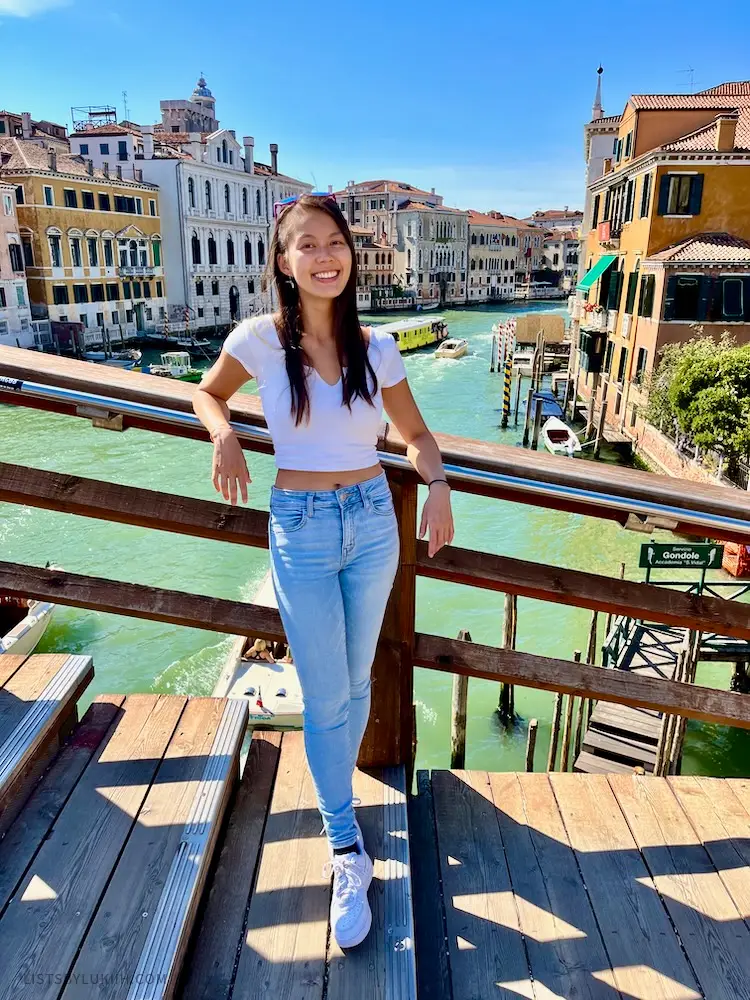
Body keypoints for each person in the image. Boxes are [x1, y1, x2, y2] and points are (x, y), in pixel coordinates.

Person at [192, 192, 454, 949]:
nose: (323, 255)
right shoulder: (259, 341)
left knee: (359, 678)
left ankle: (343, 822)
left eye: (333, 241)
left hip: (374, 522)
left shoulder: (379, 349)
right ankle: (346, 848)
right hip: (301, 528)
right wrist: (224, 435)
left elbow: (415, 436)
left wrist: (437, 486)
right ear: (283, 262)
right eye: (305, 244)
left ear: (350, 253)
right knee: (324, 688)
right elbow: (205, 393)